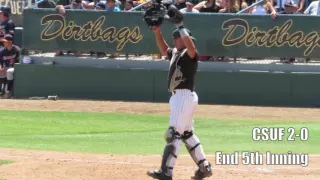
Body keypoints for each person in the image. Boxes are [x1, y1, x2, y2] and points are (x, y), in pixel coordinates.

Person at [145, 5, 213, 180]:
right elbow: (163, 49)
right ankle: (204, 167)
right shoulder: (176, 52)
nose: (191, 41)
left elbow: (191, 48)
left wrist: (181, 26)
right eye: (185, 38)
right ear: (177, 40)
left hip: (183, 95)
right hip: (182, 97)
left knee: (173, 133)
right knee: (187, 134)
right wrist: (157, 30)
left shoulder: (190, 54)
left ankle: (166, 171)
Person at [0, 34, 20, 99]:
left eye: (4, 41)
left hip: (15, 68)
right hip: (5, 68)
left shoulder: (17, 50)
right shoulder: (2, 51)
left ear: (10, 42)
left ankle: (8, 91)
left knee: (9, 71)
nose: (3, 43)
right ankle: (2, 92)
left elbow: (19, 62)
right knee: (2, 72)